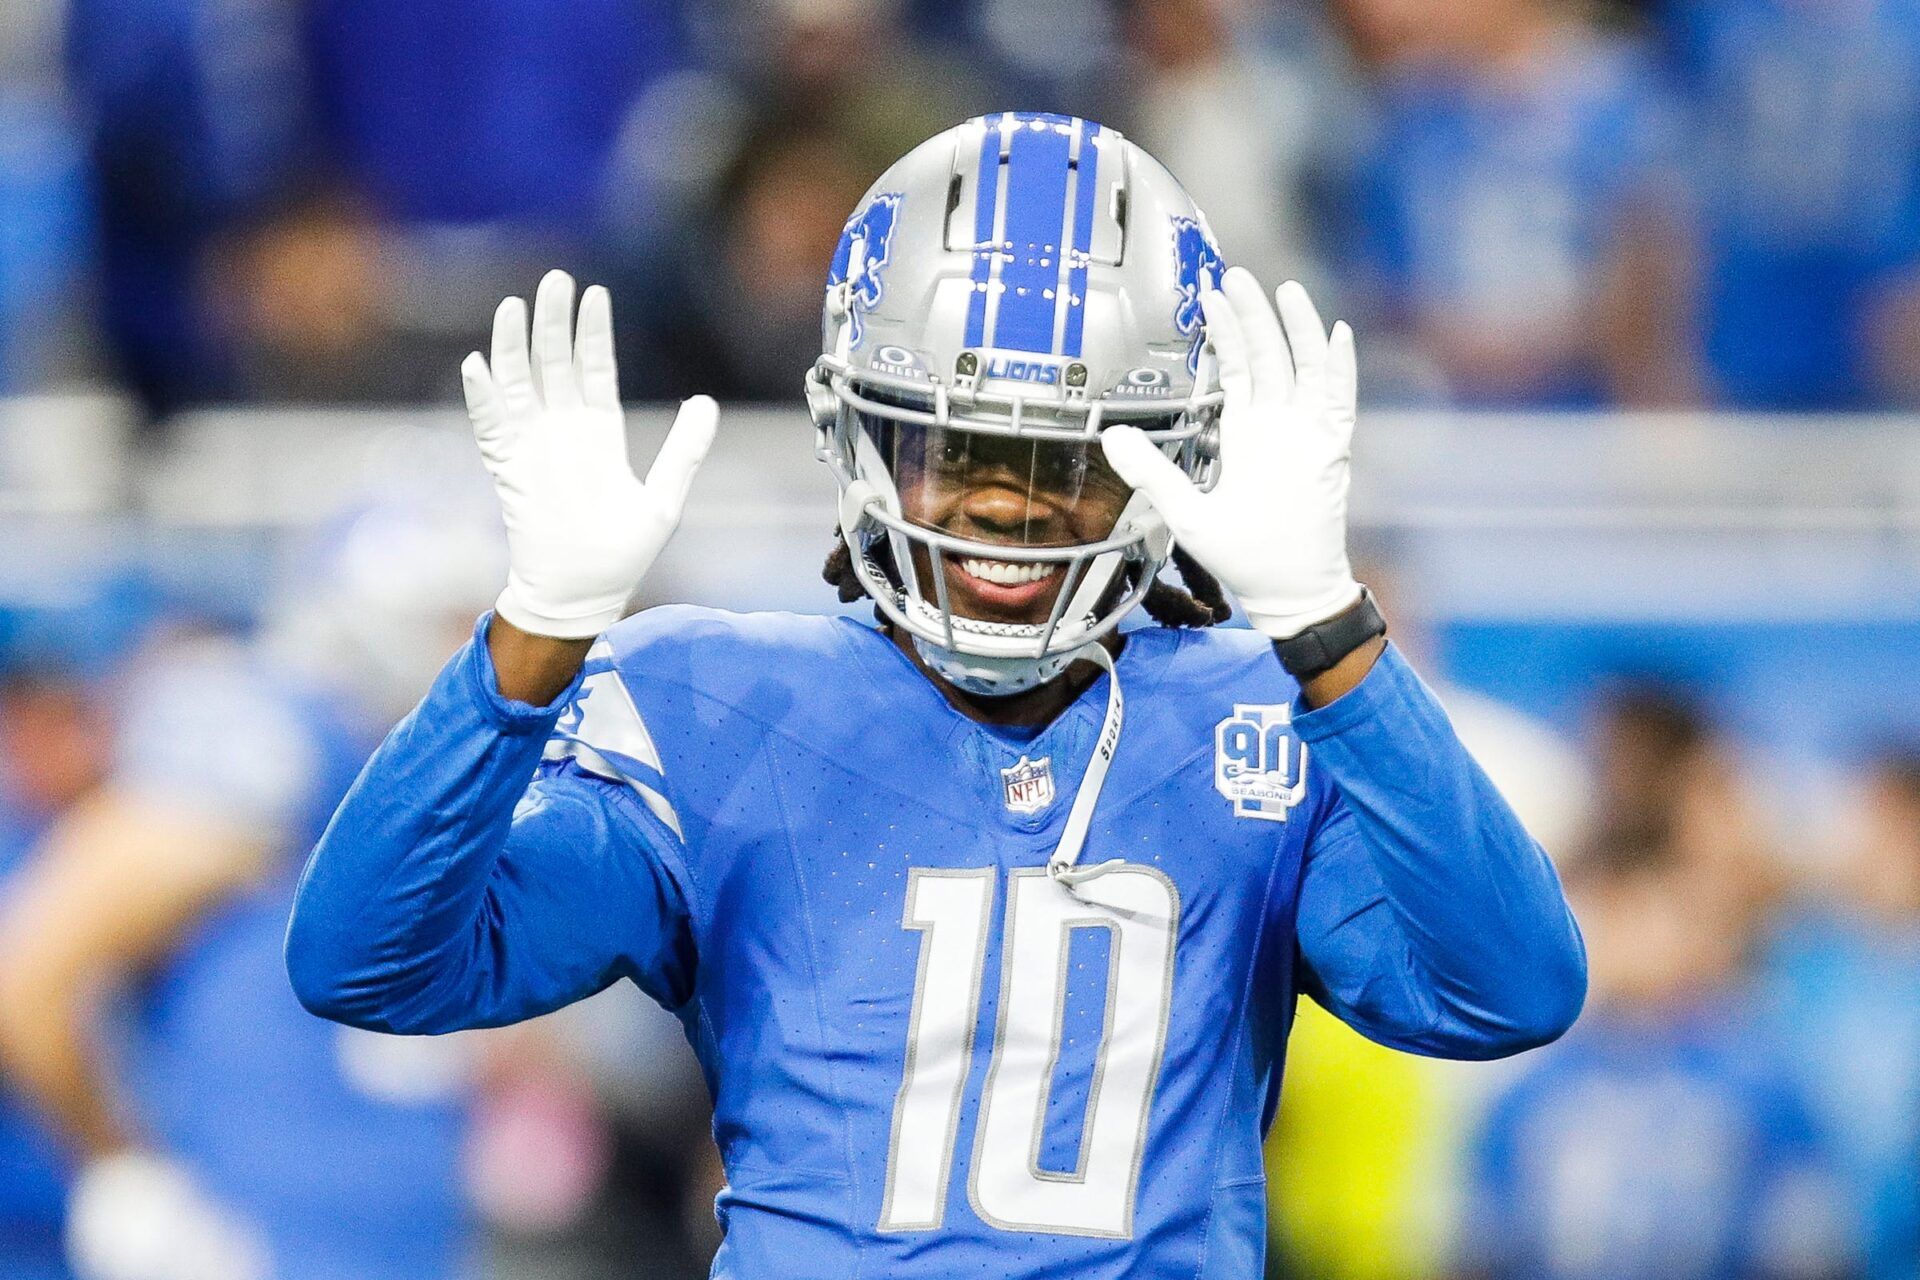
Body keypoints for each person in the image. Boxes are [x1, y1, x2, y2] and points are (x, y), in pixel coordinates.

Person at [286, 111, 1587, 1277]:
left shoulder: (1258, 714)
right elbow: (369, 963)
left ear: (1169, 463)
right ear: (859, 434)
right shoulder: (709, 699)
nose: (1009, 505)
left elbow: (1508, 990)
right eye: (956, 445)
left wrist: (1328, 630)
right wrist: (533, 637)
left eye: (1069, 457)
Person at [0, 498, 499, 1280]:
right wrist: (127, 1175)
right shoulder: (280, 737)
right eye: (462, 621)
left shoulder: (439, 790)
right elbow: (34, 971)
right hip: (254, 1242)